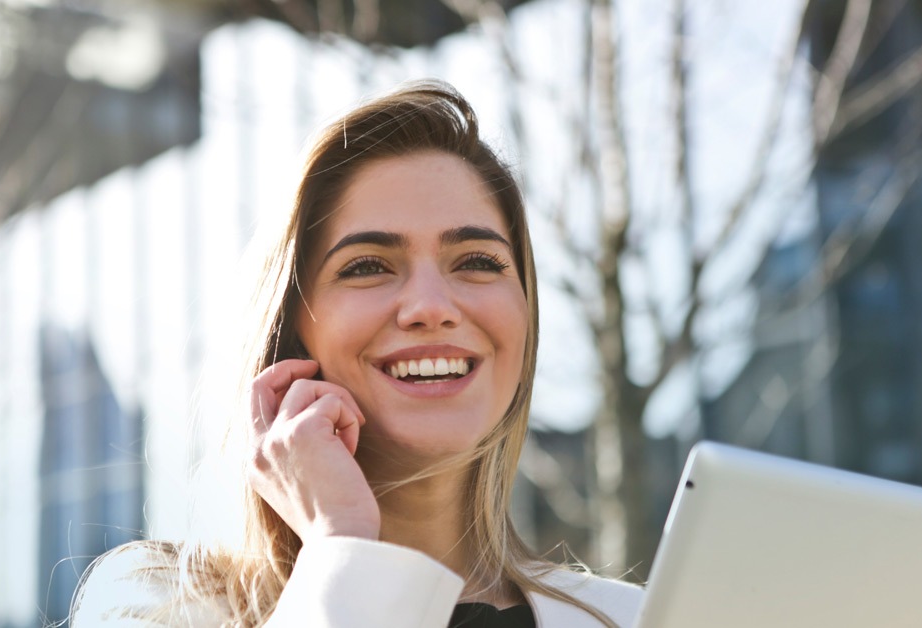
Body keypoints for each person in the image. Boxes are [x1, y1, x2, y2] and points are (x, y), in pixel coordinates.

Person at [70, 80, 643, 627]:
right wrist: (341, 545)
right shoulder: (158, 606)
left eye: (477, 261)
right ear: (294, 331)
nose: (431, 306)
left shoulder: (636, 618)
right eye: (368, 266)